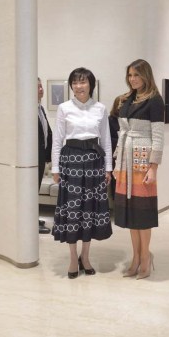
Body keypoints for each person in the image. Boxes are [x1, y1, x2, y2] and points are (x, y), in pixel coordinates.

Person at [51, 67, 112, 279]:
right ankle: (72, 257)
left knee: (89, 210)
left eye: (83, 82)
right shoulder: (64, 108)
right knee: (72, 210)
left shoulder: (100, 108)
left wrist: (108, 168)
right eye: (75, 83)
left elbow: (106, 140)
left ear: (91, 85)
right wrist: (56, 168)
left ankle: (85, 256)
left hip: (94, 162)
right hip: (71, 162)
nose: (79, 86)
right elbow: (57, 140)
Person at [113, 59, 164, 280]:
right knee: (131, 214)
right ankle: (135, 257)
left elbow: (158, 137)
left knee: (143, 214)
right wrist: (116, 163)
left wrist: (153, 168)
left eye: (136, 75)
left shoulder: (155, 101)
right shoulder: (126, 100)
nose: (132, 79)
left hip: (142, 162)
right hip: (125, 162)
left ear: (146, 75)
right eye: (130, 75)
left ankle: (145, 257)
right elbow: (120, 133)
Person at [37, 78, 52, 234]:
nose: (41, 89)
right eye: (38, 87)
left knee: (35, 190)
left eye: (41, 86)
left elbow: (46, 133)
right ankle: (30, 222)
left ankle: (33, 217)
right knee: (31, 190)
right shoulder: (28, 110)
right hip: (32, 160)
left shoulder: (40, 108)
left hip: (41, 158)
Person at [108, 96, 121, 199]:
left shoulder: (129, 119)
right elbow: (107, 138)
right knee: (115, 178)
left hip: (126, 152)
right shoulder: (110, 119)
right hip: (114, 153)